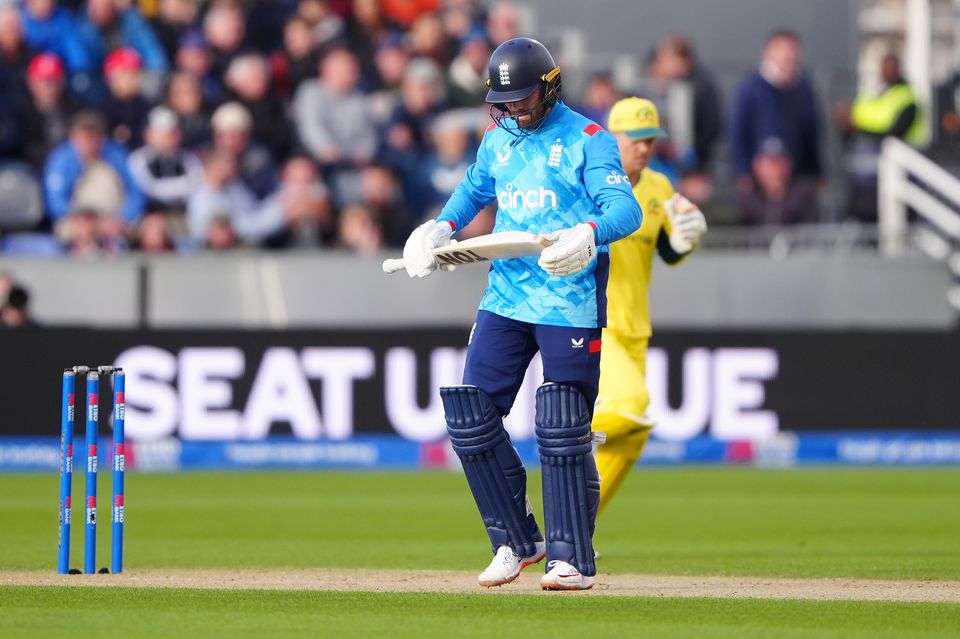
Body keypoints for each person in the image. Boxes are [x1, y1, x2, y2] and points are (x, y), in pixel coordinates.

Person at [400, 37, 642, 591]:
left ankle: (571, 557)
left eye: (526, 98)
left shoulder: (589, 139)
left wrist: (588, 233)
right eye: (505, 101)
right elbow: (473, 189)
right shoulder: (498, 137)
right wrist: (441, 228)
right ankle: (514, 540)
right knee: (471, 414)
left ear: (551, 86)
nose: (516, 109)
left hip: (569, 297)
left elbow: (624, 210)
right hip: (507, 295)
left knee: (562, 422)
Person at [592, 97, 706, 517]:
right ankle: (561, 436)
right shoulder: (591, 181)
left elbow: (666, 250)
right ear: (612, 137)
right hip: (595, 320)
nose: (644, 148)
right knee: (631, 405)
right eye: (635, 139)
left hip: (637, 325)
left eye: (650, 140)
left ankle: (570, 530)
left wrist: (684, 243)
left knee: (631, 439)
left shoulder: (659, 187)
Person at [730, 30, 821, 189]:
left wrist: (814, 171)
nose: (789, 56)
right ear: (768, 52)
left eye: (793, 51)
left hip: (795, 179)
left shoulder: (803, 88)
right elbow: (738, 130)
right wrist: (743, 170)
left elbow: (811, 132)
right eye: (783, 50)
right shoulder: (750, 87)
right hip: (757, 181)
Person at [835, 53, 920, 221]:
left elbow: (894, 135)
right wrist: (845, 125)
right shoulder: (868, 97)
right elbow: (850, 136)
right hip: (862, 180)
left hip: (893, 175)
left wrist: (856, 128)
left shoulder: (907, 98)